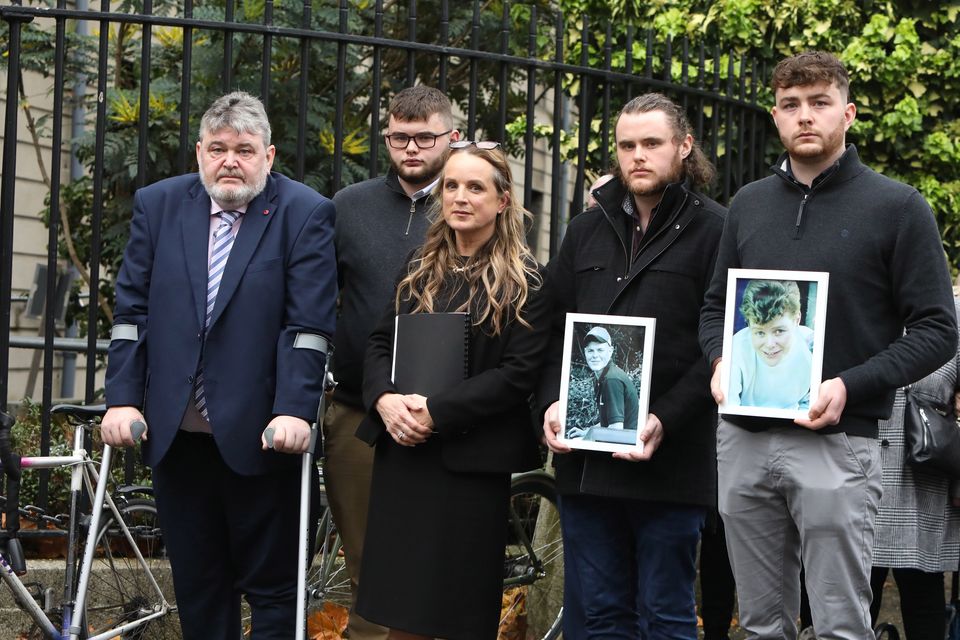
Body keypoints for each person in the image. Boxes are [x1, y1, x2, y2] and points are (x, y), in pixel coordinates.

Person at [699, 51, 957, 640]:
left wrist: (849, 385)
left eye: (820, 102)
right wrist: (719, 359)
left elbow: (937, 330)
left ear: (849, 112)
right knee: (761, 624)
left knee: (841, 624)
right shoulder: (748, 204)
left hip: (839, 440)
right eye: (790, 105)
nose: (805, 116)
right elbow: (715, 308)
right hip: (743, 439)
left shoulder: (899, 207)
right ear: (775, 116)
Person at [100, 91, 337, 639]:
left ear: (268, 156)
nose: (230, 161)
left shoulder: (304, 212)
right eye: (218, 148)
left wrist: (294, 410)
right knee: (200, 588)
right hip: (178, 437)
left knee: (274, 590)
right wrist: (123, 399)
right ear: (200, 153)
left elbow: (307, 327)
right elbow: (131, 315)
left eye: (244, 150)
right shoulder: (158, 204)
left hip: (265, 436)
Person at [539, 92, 726, 638]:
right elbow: (551, 328)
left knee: (666, 615)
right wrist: (551, 402)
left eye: (651, 143)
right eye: (626, 145)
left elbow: (719, 345)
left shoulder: (718, 230)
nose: (637, 155)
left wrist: (665, 417)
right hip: (587, 465)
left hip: (672, 462)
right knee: (600, 616)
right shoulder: (586, 229)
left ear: (684, 146)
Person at [354, 141, 550, 640]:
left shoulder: (527, 281)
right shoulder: (419, 265)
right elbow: (379, 343)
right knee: (401, 611)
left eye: (475, 187)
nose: (460, 197)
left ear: (502, 200)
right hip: (404, 454)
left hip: (470, 465)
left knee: (459, 613)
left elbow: (517, 374)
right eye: (452, 186)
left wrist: (436, 412)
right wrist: (384, 400)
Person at [324, 84, 458, 640]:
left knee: (432, 568)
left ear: (451, 137)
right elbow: (318, 297)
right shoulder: (347, 206)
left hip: (442, 419)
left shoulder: (467, 200)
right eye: (399, 138)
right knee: (365, 566)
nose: (411, 149)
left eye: (424, 137)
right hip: (357, 411)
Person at [869, 297, 960, 640]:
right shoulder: (863, 297)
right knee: (853, 591)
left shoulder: (952, 314)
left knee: (923, 592)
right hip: (858, 466)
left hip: (924, 476)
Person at [729, 279, 813, 410]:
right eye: (760, 332)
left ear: (797, 320)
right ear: (749, 324)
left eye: (779, 331)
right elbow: (729, 409)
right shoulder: (735, 350)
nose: (769, 344)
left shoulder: (811, 345)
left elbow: (809, 404)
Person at [568, 326, 639, 438]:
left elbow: (616, 429)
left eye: (600, 350)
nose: (595, 355)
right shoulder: (601, 377)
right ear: (585, 352)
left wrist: (588, 437)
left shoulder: (611, 379)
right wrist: (586, 432)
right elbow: (607, 423)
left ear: (610, 351)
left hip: (629, 441)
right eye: (590, 350)